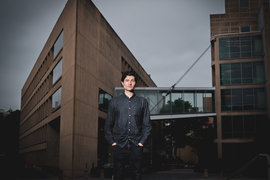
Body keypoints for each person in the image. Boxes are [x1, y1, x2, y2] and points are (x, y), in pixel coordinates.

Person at [104, 71, 152, 180]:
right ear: (122, 83)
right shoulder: (114, 102)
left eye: (132, 80)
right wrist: (113, 142)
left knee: (137, 175)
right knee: (118, 175)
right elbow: (108, 125)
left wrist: (141, 143)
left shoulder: (142, 102)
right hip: (119, 145)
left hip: (136, 145)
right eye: (127, 80)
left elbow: (147, 125)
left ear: (135, 83)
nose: (129, 83)